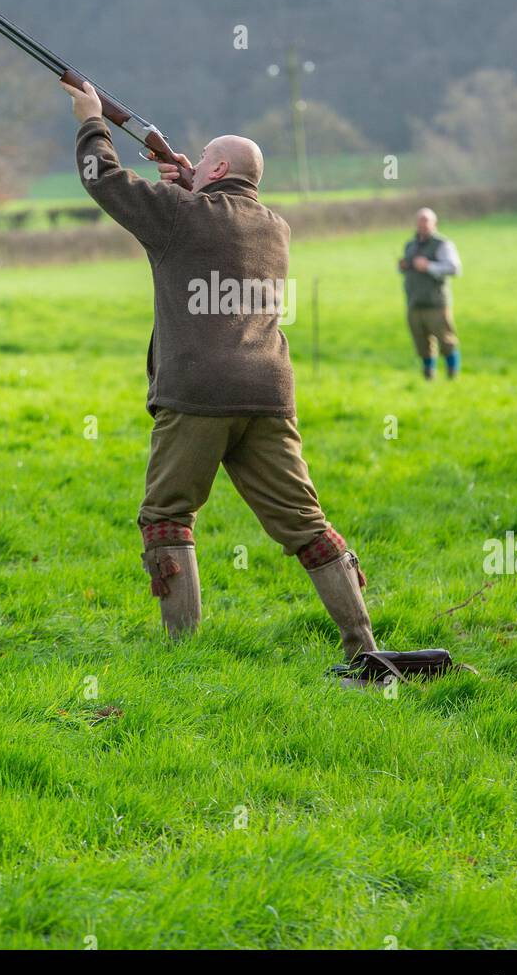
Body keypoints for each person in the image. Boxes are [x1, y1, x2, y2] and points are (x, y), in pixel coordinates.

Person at [64, 76, 378, 662]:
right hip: (268, 393)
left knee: (166, 517)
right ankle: (364, 645)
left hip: (198, 392)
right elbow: (220, 222)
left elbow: (102, 181)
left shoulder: (182, 216)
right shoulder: (275, 228)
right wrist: (191, 183)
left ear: (212, 172)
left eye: (203, 157)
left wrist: (90, 120)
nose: (194, 160)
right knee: (307, 526)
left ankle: (181, 655)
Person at [398, 207, 462, 380]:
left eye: (427, 221)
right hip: (414, 302)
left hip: (436, 303)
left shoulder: (443, 244)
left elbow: (454, 268)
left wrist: (429, 266)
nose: (423, 224)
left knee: (446, 341)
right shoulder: (410, 245)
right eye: (420, 220)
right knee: (421, 344)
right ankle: (428, 375)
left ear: (434, 223)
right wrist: (404, 266)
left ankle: (452, 374)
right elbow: (407, 269)